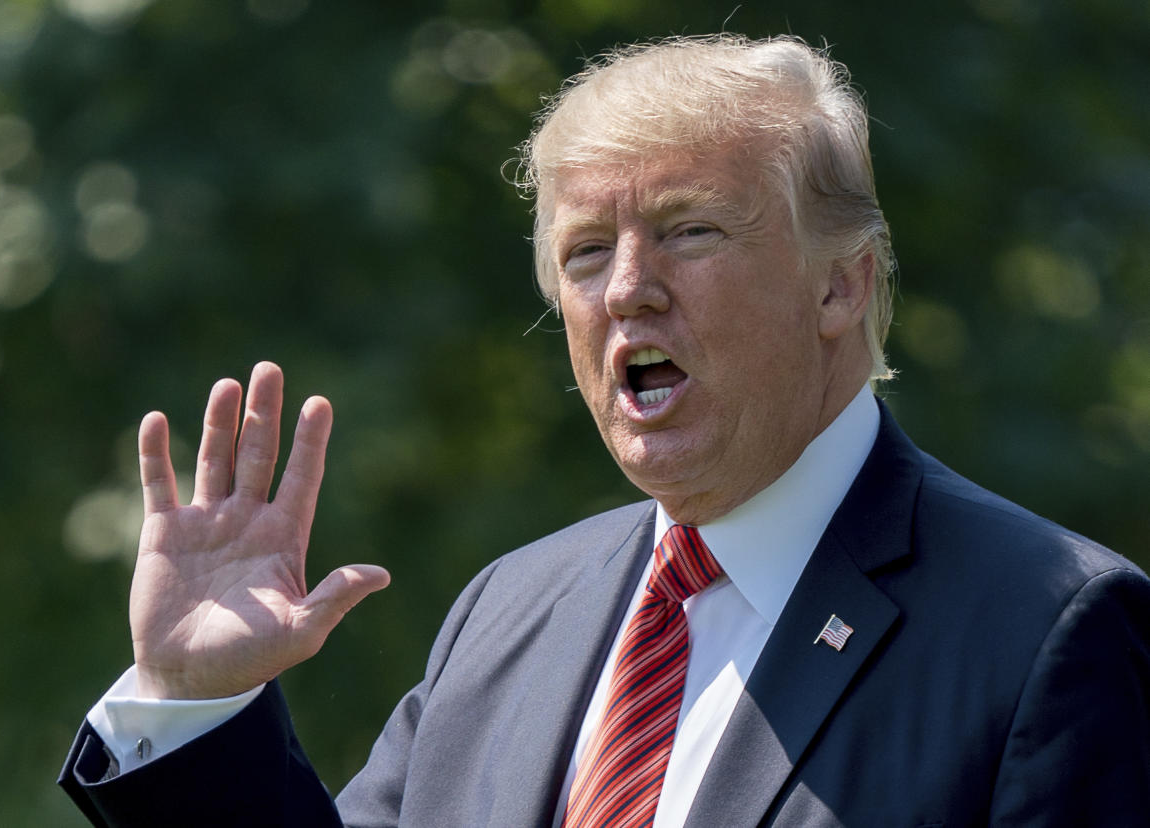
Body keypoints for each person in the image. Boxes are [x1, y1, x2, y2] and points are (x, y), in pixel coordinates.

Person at [59, 34, 1150, 826]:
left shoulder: (1053, 629)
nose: (629, 288)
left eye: (691, 231)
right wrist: (200, 703)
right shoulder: (511, 609)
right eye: (586, 253)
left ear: (841, 287)